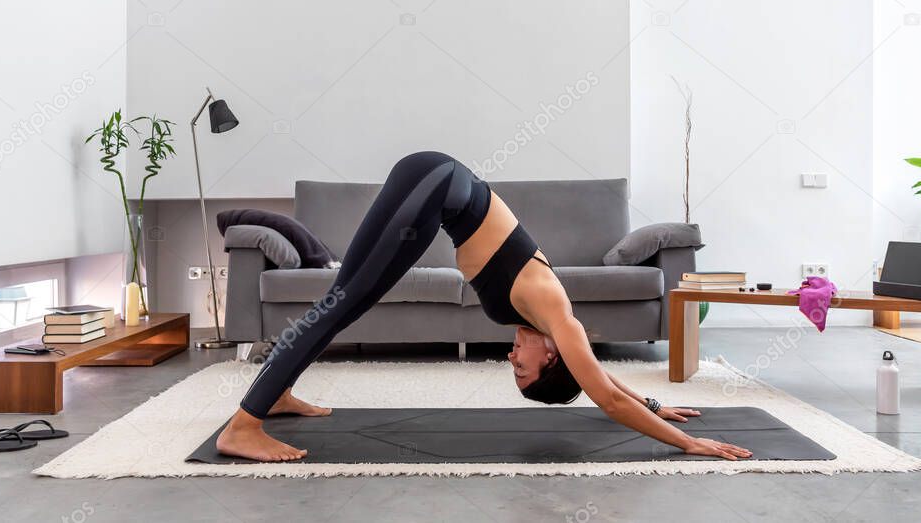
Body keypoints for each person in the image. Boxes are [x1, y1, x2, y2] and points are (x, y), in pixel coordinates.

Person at [216, 151, 752, 462]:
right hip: (434, 182)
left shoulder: (549, 327)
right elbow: (606, 398)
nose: (512, 357)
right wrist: (687, 443)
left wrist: (656, 407)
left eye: (510, 366)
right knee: (340, 303)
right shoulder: (555, 312)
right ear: (554, 357)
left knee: (343, 303)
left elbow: (606, 383)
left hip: (434, 193)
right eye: (522, 366)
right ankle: (243, 425)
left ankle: (278, 392)